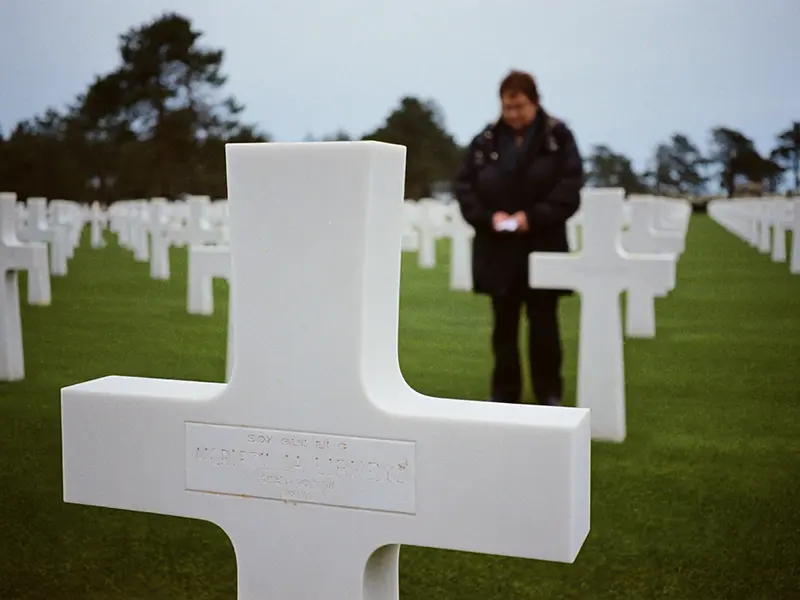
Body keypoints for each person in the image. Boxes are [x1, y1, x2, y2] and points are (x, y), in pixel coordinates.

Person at [454, 69, 584, 405]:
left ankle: (548, 394)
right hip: (498, 248)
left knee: (544, 326)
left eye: (519, 107)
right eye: (507, 108)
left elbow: (570, 188)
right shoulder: (485, 141)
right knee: (504, 328)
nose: (512, 114)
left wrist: (533, 217)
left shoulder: (558, 138)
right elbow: (465, 187)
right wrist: (488, 217)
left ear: (535, 102)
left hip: (542, 243)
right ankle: (505, 394)